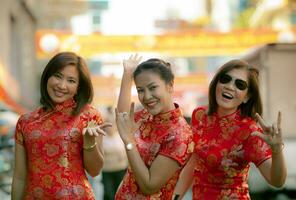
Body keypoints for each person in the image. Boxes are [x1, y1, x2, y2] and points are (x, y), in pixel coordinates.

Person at [173, 59, 287, 199]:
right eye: (225, 79)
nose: (230, 87)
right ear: (217, 84)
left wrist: (276, 150)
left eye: (240, 85)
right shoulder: (199, 115)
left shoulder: (249, 131)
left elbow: (277, 181)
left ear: (247, 97)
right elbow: (192, 164)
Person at [11, 52, 111, 199]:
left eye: (71, 81)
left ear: (78, 87)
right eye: (57, 76)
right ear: (47, 76)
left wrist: (89, 142)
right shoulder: (26, 122)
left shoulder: (89, 116)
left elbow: (95, 171)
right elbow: (20, 177)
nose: (62, 85)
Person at [114, 54, 194, 199]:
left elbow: (149, 186)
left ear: (170, 86)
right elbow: (122, 118)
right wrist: (127, 74)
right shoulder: (146, 116)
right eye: (140, 90)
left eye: (152, 88)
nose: (147, 96)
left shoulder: (179, 134)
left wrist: (129, 143)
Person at [101, 106, 128, 200]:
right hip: (107, 170)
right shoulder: (103, 138)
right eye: (108, 126)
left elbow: (126, 152)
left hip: (120, 169)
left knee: (119, 191)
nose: (110, 128)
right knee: (109, 192)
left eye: (112, 125)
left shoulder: (119, 137)